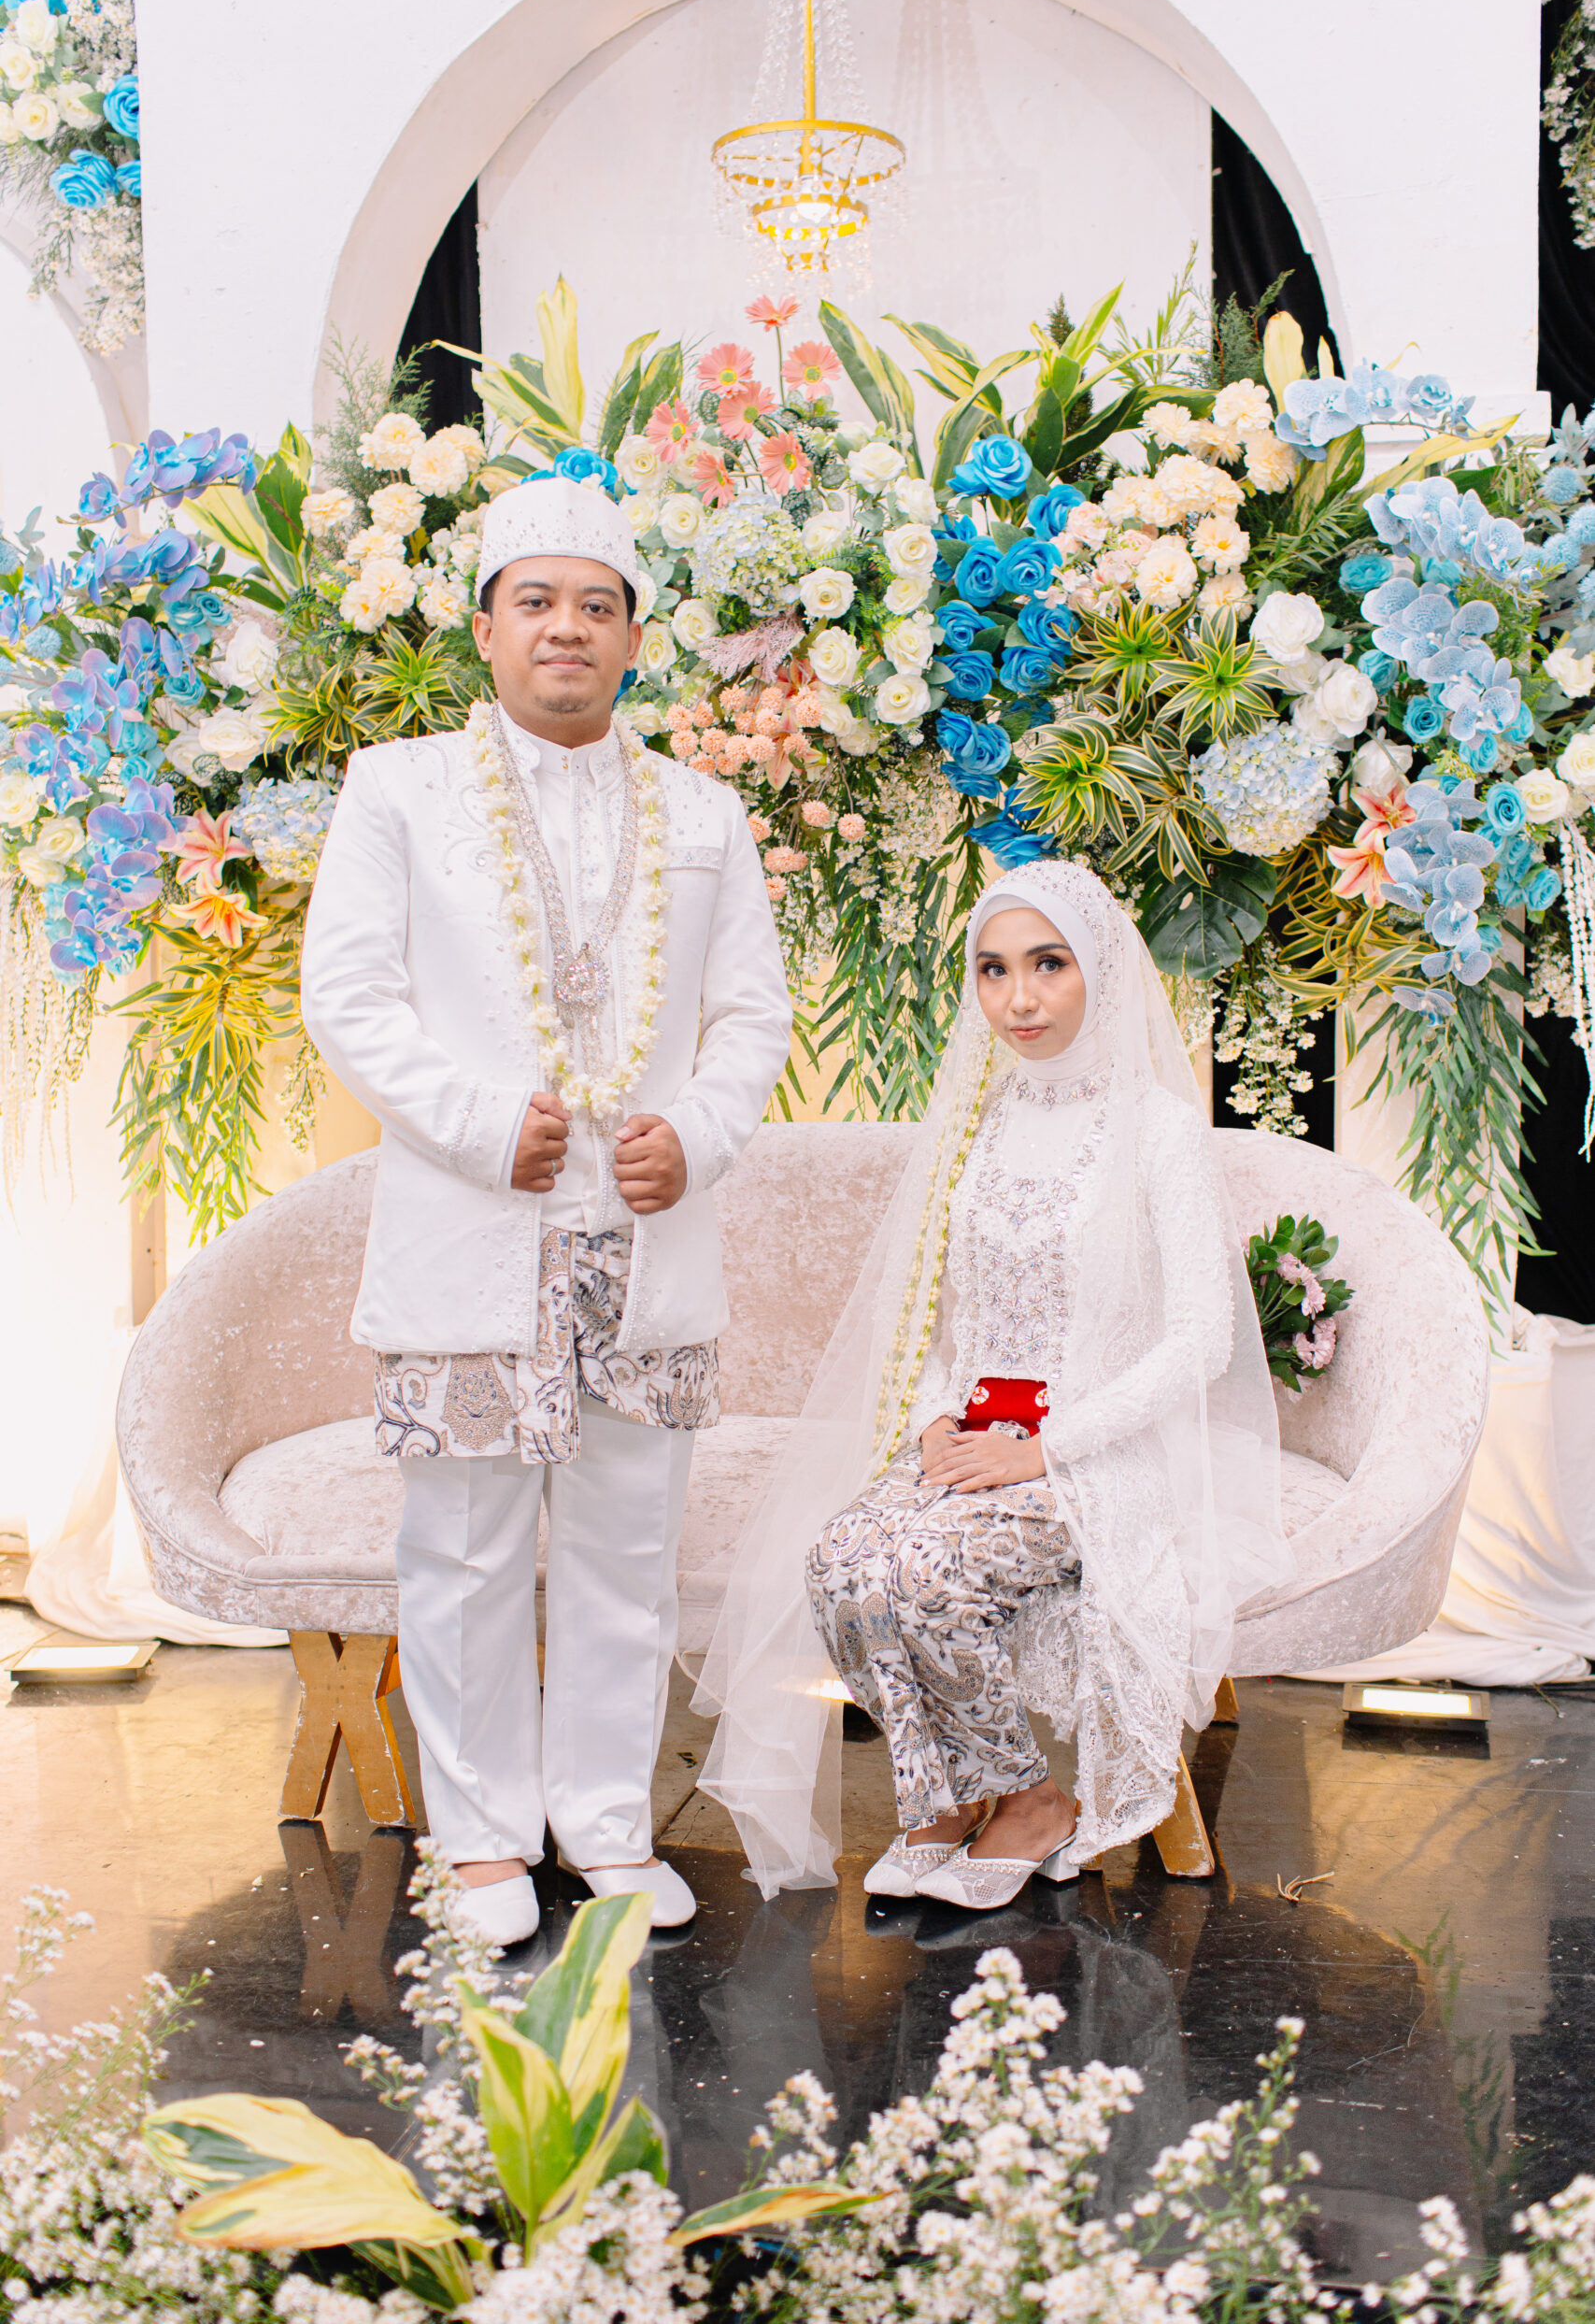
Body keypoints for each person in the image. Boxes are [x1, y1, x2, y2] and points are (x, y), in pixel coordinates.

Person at [300, 476, 792, 1949]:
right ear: (484, 628)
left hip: (640, 1233)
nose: (564, 628)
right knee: (461, 1547)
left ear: (634, 637)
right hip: (476, 1227)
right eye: (535, 601)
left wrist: (694, 1139)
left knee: (627, 1548)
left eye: (594, 604)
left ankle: (607, 1826)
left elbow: (748, 1015)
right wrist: (473, 1123)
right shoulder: (397, 790)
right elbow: (349, 996)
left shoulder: (703, 811)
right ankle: (477, 1846)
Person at [694, 859, 1289, 1907]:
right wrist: (934, 1416)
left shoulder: (1155, 1127)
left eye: (1048, 964)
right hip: (977, 1434)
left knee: (923, 1572)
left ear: (1099, 968)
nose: (1019, 997)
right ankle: (949, 1798)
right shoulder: (983, 1118)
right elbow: (950, 1315)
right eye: (994, 969)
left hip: (1098, 1452)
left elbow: (1200, 1340)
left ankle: (1029, 1802)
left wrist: (1045, 1449)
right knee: (839, 1561)